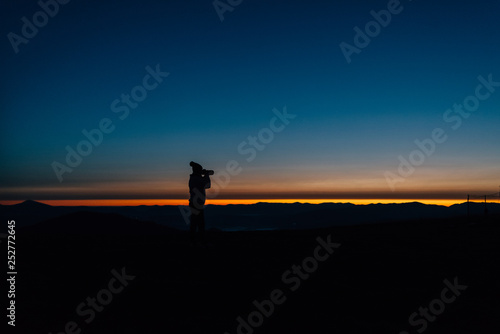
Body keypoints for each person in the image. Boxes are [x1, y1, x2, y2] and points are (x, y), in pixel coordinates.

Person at [188, 161, 212, 245]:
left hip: (195, 204)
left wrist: (204, 175)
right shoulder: (196, 179)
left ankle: (195, 239)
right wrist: (207, 175)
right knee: (199, 224)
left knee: (195, 223)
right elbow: (207, 185)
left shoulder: (194, 178)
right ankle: (199, 240)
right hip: (196, 204)